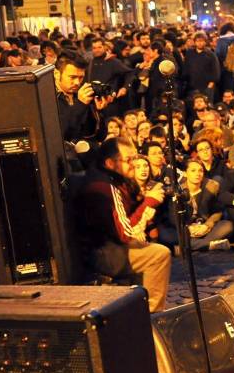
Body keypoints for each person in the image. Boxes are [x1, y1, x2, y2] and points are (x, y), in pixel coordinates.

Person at [74, 138, 171, 312]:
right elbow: (125, 233)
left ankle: (139, 306)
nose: (134, 164)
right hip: (103, 254)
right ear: (110, 163)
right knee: (159, 255)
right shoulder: (104, 187)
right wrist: (149, 202)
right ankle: (152, 314)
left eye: (135, 158)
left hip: (108, 246)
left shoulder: (110, 179)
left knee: (149, 248)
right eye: (128, 160)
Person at [55, 50, 109, 143]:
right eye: (72, 77)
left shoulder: (83, 94)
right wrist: (80, 105)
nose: (77, 82)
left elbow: (100, 136)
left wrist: (99, 111)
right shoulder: (47, 98)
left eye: (81, 77)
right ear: (56, 74)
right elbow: (62, 135)